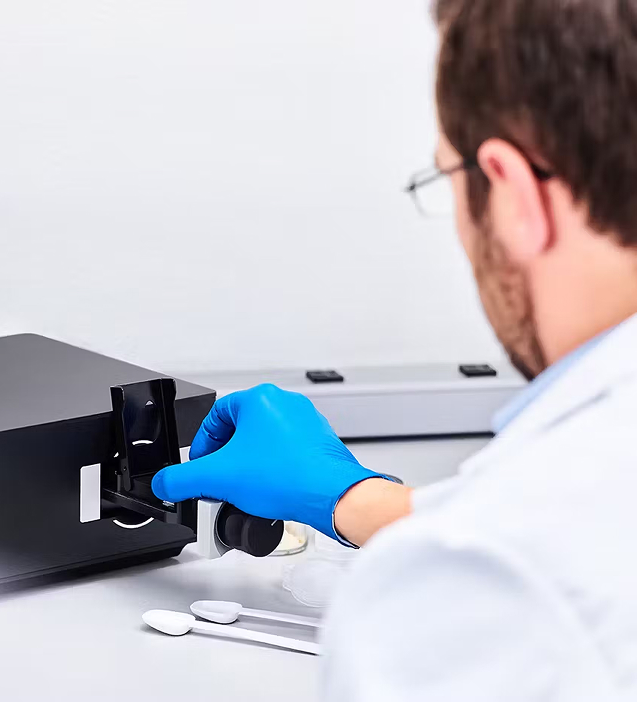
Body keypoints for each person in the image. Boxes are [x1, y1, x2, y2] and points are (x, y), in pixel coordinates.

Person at [152, 1, 637, 699]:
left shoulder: (480, 586)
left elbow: (529, 549)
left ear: (513, 193)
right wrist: (359, 500)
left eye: (448, 179)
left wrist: (429, 551)